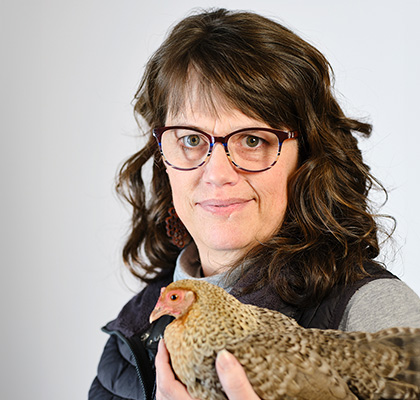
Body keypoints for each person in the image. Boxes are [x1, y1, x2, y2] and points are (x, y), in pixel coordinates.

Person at [89, 8, 420, 400]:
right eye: (192, 139)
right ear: (163, 158)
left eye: (252, 140)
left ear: (306, 159)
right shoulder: (136, 324)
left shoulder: (371, 312)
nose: (217, 174)